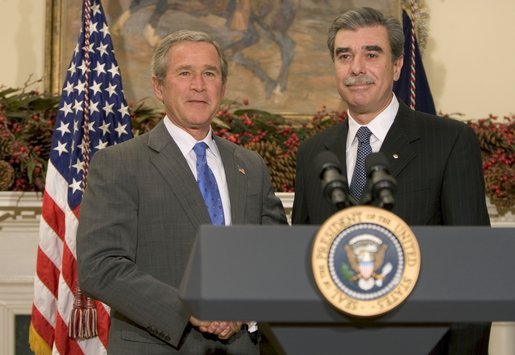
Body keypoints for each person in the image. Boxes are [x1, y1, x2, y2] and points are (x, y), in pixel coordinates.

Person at [292, 7, 490, 355]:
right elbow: (302, 268)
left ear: (397, 65)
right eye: (344, 56)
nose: (357, 68)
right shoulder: (313, 153)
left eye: (372, 54)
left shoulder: (448, 141)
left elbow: (474, 270)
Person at [77, 30, 287, 354]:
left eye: (209, 73)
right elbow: (100, 267)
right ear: (159, 86)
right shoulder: (119, 163)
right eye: (185, 73)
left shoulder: (251, 166)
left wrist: (242, 310)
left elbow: (275, 257)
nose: (198, 85)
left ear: (223, 86)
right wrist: (188, 309)